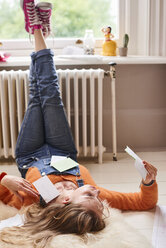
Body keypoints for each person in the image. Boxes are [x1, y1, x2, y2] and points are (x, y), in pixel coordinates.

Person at [0, 0, 158, 245]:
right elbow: (143, 202)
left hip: (29, 153)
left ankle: (37, 29)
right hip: (62, 148)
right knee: (50, 94)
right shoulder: (96, 192)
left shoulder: (31, 201)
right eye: (98, 198)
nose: (97, 193)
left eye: (90, 197)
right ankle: (38, 30)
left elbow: (3, 188)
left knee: (37, 94)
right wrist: (148, 182)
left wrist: (4, 180)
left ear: (66, 201)